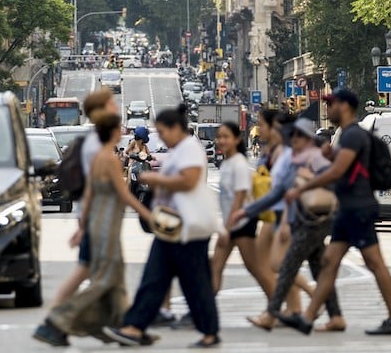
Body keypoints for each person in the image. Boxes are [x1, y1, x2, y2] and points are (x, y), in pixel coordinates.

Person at [280, 89, 391, 336]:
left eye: (331, 104)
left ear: (345, 106)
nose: (328, 109)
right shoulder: (347, 136)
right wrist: (330, 156)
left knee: (374, 263)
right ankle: (308, 317)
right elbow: (344, 169)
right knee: (330, 262)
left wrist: (304, 186)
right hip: (347, 209)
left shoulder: (353, 136)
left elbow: (338, 172)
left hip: (358, 208)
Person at [103, 104, 221, 349]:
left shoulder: (189, 148)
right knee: (154, 278)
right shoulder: (178, 150)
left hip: (188, 227)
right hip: (172, 225)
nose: (162, 137)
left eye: (163, 131)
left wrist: (155, 179)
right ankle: (134, 327)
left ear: (176, 128)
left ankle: (209, 332)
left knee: (194, 283)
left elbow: (188, 181)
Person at [33, 113, 153, 346]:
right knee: (106, 279)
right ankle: (57, 320)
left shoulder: (99, 157)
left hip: (99, 222)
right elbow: (123, 193)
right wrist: (148, 214)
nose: (122, 132)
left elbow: (88, 194)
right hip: (105, 224)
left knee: (115, 281)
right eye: (119, 128)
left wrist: (82, 224)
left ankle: (128, 326)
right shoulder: (109, 159)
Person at [231, 118, 345, 331]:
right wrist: (246, 212)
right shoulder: (293, 159)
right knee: (320, 271)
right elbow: (276, 194)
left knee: (286, 268)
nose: (295, 139)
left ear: (309, 139)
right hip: (302, 221)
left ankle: (270, 314)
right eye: (293, 135)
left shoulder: (315, 158)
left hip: (315, 221)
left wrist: (309, 179)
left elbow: (333, 181)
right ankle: (336, 316)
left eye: (300, 135)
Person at [233, 112, 310, 327]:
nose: (261, 129)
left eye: (264, 126)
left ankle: (311, 297)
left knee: (278, 264)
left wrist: (285, 219)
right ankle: (293, 308)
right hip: (269, 212)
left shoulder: (288, 153)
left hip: (284, 213)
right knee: (271, 262)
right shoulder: (270, 151)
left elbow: (289, 189)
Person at [51, 88, 120, 307]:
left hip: (97, 217)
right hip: (97, 218)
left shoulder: (97, 141)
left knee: (93, 271)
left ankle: (116, 321)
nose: (116, 107)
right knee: (93, 272)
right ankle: (58, 318)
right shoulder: (98, 146)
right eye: (112, 104)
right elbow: (92, 188)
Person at [210, 122, 265, 297]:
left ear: (237, 140)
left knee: (256, 268)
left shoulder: (239, 164)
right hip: (231, 224)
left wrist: (226, 229)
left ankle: (277, 306)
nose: (221, 140)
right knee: (215, 266)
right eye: (219, 137)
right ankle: (203, 309)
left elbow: (239, 198)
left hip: (241, 224)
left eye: (226, 137)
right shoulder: (226, 163)